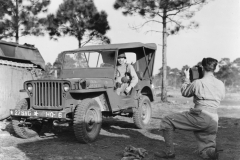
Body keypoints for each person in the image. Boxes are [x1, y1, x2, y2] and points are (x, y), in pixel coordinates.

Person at [155, 57, 225, 159]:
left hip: (200, 116)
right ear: (214, 68)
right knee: (205, 150)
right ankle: (213, 152)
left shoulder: (198, 82)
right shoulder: (221, 84)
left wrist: (186, 78)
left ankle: (169, 152)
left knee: (167, 120)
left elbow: (185, 92)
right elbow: (221, 97)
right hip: (214, 119)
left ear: (202, 68)